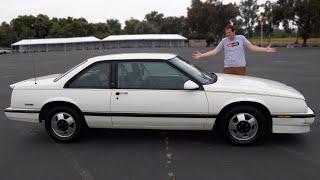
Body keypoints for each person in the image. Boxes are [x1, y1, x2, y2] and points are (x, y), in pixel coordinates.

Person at [192, 25, 276, 76]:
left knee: (240, 88)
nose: (228, 35)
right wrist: (201, 55)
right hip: (228, 68)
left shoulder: (241, 38)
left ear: (234, 32)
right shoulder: (224, 41)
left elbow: (252, 47)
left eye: (229, 32)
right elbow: (215, 51)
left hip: (240, 68)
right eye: (226, 33)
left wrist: (265, 49)